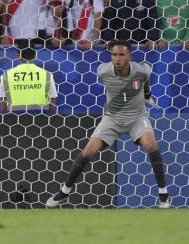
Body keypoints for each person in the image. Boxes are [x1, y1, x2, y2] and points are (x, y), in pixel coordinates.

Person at [46, 40, 170, 209]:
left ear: (129, 56)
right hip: (111, 118)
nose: (117, 59)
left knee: (151, 145)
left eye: (121, 55)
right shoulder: (103, 71)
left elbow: (146, 78)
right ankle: (64, 191)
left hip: (137, 117)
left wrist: (147, 94)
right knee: (88, 151)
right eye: (114, 55)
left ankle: (164, 196)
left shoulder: (141, 70)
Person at [0, 40, 57, 113]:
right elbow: (52, 104)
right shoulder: (47, 75)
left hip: (14, 120)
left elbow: (3, 106)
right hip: (41, 120)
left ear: (18, 55)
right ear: (35, 55)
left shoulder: (6, 76)